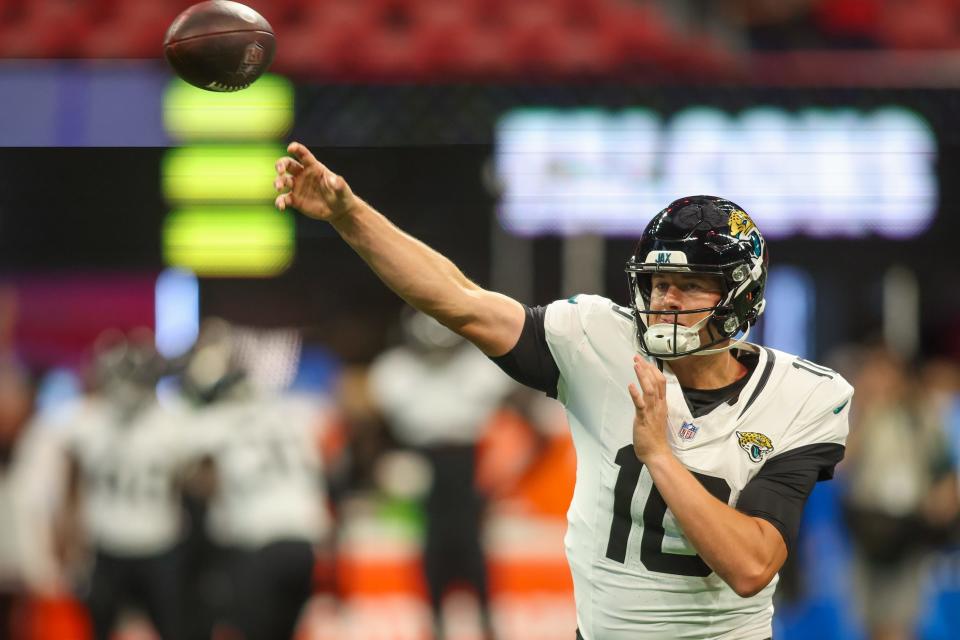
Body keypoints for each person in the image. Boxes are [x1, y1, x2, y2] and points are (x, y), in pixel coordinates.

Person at [273, 143, 853, 640]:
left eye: (692, 285)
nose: (668, 301)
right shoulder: (599, 339)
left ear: (740, 296)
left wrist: (659, 456)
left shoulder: (802, 396)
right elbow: (458, 300)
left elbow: (752, 565)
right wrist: (348, 216)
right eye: (659, 283)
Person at [368, 310, 515, 640]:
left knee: (472, 552)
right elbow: (373, 434)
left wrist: (504, 475)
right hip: (423, 470)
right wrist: (383, 468)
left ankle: (487, 625)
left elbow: (524, 425)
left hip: (468, 471)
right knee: (433, 553)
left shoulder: (479, 369)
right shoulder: (395, 372)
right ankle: (436, 627)